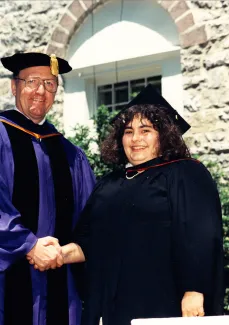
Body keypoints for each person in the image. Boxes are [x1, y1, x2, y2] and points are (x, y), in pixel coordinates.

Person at [31, 85, 224, 324]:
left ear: (164, 135)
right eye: (128, 131)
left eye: (146, 130)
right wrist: (58, 252)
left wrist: (194, 291)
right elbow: (87, 242)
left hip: (164, 302)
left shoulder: (185, 173)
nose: (135, 139)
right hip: (110, 306)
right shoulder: (110, 183)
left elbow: (201, 236)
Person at [0, 52, 95, 325]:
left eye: (50, 84)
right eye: (31, 81)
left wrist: (64, 253)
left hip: (61, 285)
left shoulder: (70, 154)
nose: (40, 91)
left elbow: (90, 219)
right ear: (14, 86)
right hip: (7, 282)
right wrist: (29, 246)